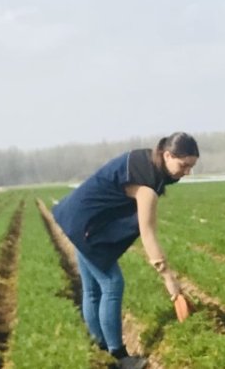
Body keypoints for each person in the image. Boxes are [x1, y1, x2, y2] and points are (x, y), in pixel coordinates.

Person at [52, 132, 199, 368]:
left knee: (92, 290)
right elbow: (148, 234)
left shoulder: (147, 161)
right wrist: (170, 282)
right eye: (184, 165)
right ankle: (120, 357)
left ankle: (98, 347)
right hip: (87, 226)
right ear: (168, 155)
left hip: (81, 219)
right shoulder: (146, 186)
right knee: (112, 284)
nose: (187, 172)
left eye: (191, 167)